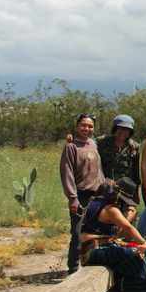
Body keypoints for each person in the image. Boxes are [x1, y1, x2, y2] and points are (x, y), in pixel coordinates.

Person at [60, 113, 104, 273]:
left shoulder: (93, 143)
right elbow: (67, 173)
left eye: (90, 126)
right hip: (80, 195)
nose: (86, 128)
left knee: (94, 232)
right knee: (78, 233)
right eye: (83, 125)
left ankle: (89, 265)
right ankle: (73, 268)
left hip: (97, 195)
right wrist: (73, 198)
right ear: (77, 126)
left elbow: (98, 169)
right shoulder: (71, 147)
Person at [96, 114, 141, 203]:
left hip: (125, 189)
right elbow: (86, 143)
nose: (123, 132)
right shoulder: (101, 142)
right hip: (104, 187)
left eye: (127, 130)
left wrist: (136, 192)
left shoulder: (134, 147)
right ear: (115, 128)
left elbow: (135, 172)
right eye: (120, 128)